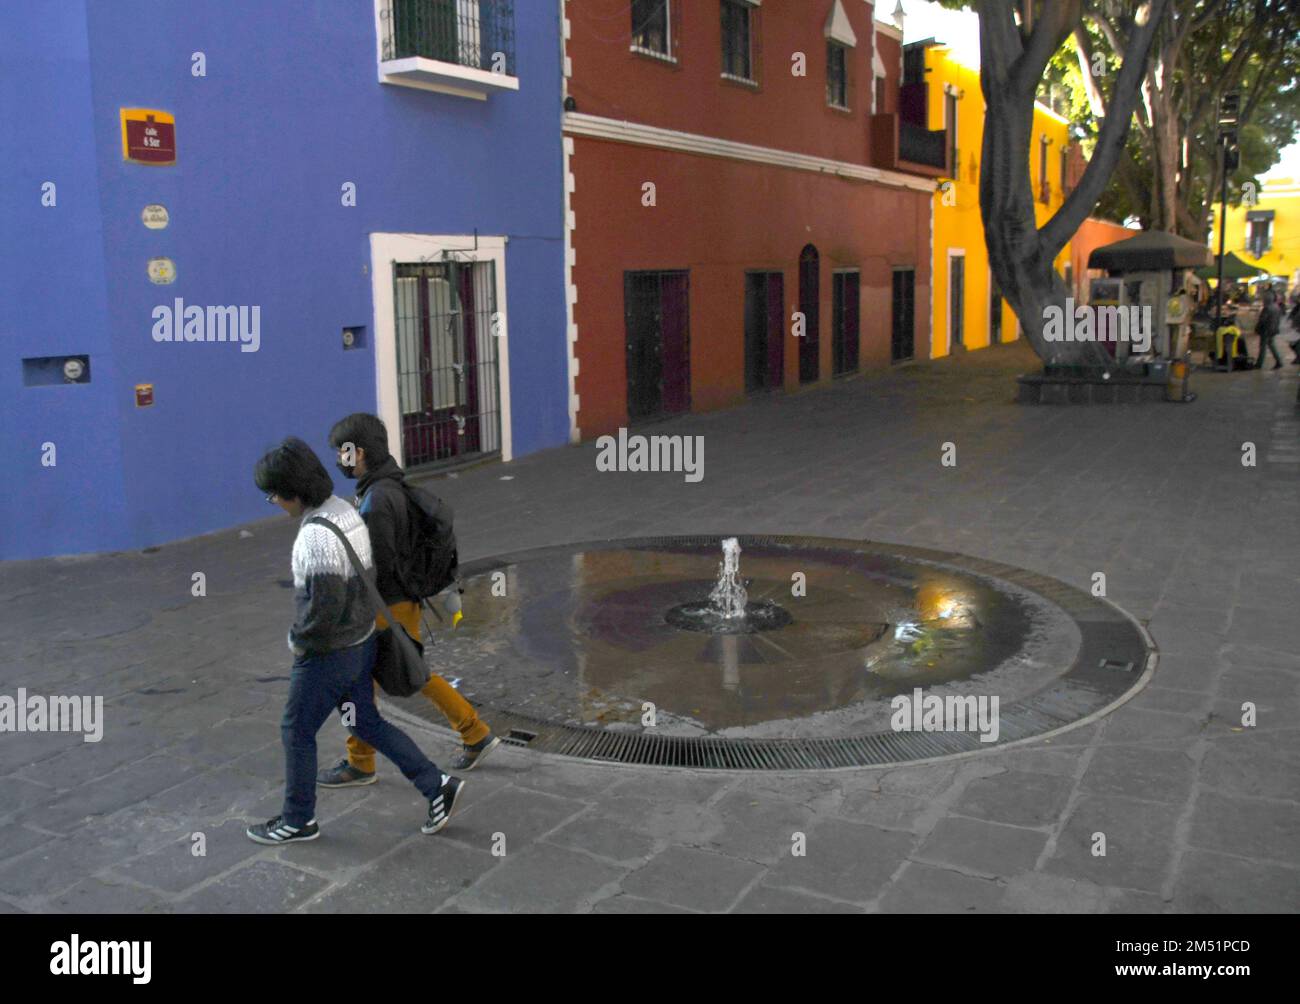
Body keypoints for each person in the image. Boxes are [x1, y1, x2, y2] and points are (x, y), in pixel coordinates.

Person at [249, 437, 464, 844]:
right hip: (362, 643)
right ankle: (437, 784)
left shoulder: (314, 537)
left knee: (296, 731)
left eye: (273, 494)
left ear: (292, 490)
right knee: (365, 721)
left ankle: (298, 820)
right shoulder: (344, 509)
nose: (274, 502)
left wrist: (297, 641)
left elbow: (322, 612)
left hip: (328, 655)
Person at [318, 413, 500, 788]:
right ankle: (473, 733)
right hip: (399, 602)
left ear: (360, 452)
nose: (339, 458)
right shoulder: (387, 486)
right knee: (408, 674)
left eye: (343, 451)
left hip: (385, 606)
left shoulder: (378, 498)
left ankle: (362, 762)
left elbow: (377, 566)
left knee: (374, 680)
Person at [1254, 295, 1284, 370]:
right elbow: (1278, 319)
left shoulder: (1267, 308)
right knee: (1271, 345)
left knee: (1263, 347)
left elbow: (1262, 320)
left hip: (1266, 330)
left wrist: (1257, 328)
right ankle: (1279, 361)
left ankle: (1259, 364)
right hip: (1273, 329)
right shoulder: (1277, 307)